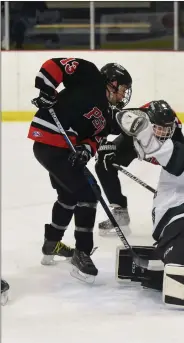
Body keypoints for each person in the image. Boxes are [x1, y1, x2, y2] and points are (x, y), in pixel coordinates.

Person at [27, 57, 132, 282]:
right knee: (88, 193)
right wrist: (46, 89)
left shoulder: (106, 117)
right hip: (49, 141)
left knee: (69, 194)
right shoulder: (90, 76)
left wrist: (85, 150)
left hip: (62, 150)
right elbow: (55, 66)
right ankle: (82, 253)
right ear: (111, 82)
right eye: (122, 89)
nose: (123, 95)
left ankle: (51, 244)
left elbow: (94, 139)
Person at [113, 104, 184, 272]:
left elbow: (168, 154)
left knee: (181, 263)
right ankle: (183, 261)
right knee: (176, 256)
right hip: (182, 231)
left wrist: (143, 131)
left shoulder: (183, 158)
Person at [95, 100, 184, 237]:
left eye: (167, 129)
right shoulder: (136, 120)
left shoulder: (177, 138)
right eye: (159, 128)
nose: (164, 134)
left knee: (181, 174)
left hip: (163, 149)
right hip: (135, 139)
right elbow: (107, 121)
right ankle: (120, 215)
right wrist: (101, 143)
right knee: (104, 161)